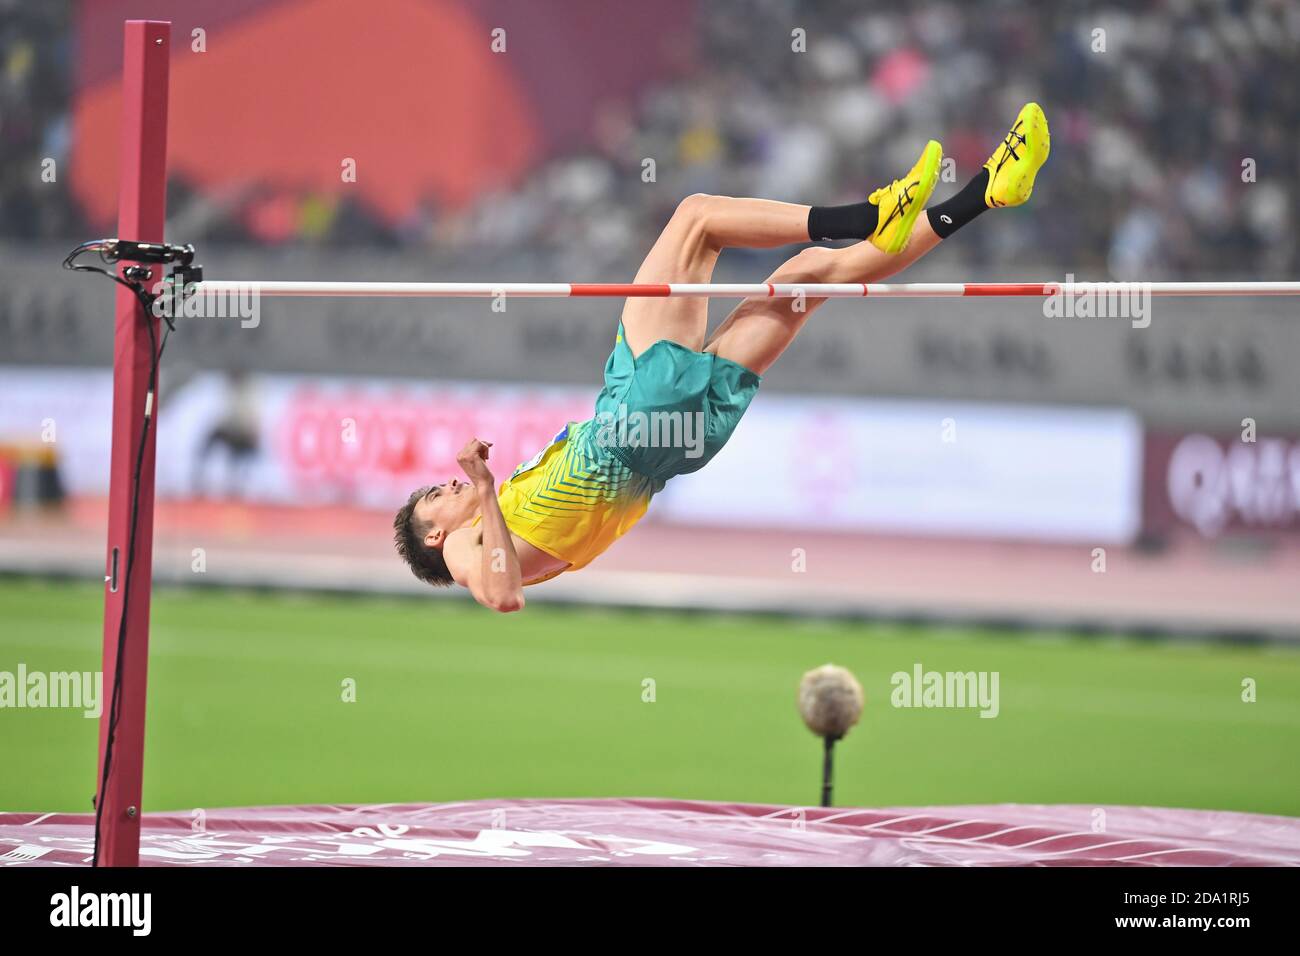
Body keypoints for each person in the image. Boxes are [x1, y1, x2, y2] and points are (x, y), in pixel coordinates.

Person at [394, 104, 1050, 612]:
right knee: (698, 219)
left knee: (807, 283)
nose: (445, 486)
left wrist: (491, 491)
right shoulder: (463, 550)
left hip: (673, 444)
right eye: (433, 497)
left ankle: (989, 192)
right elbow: (505, 597)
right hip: (630, 427)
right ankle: (865, 215)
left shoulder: (498, 515)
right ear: (432, 535)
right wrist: (481, 487)